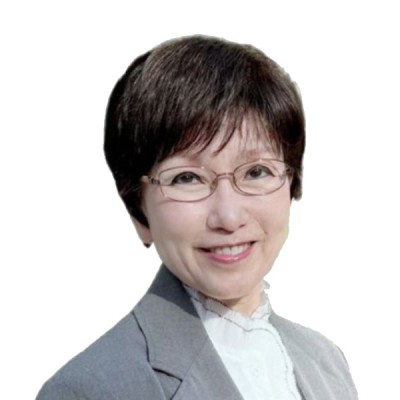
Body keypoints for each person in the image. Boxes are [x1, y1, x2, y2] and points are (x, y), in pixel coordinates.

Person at [36, 35, 358, 400]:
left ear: (291, 183)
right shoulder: (89, 390)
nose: (229, 217)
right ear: (138, 211)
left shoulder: (326, 361)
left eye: (256, 172)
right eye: (187, 178)